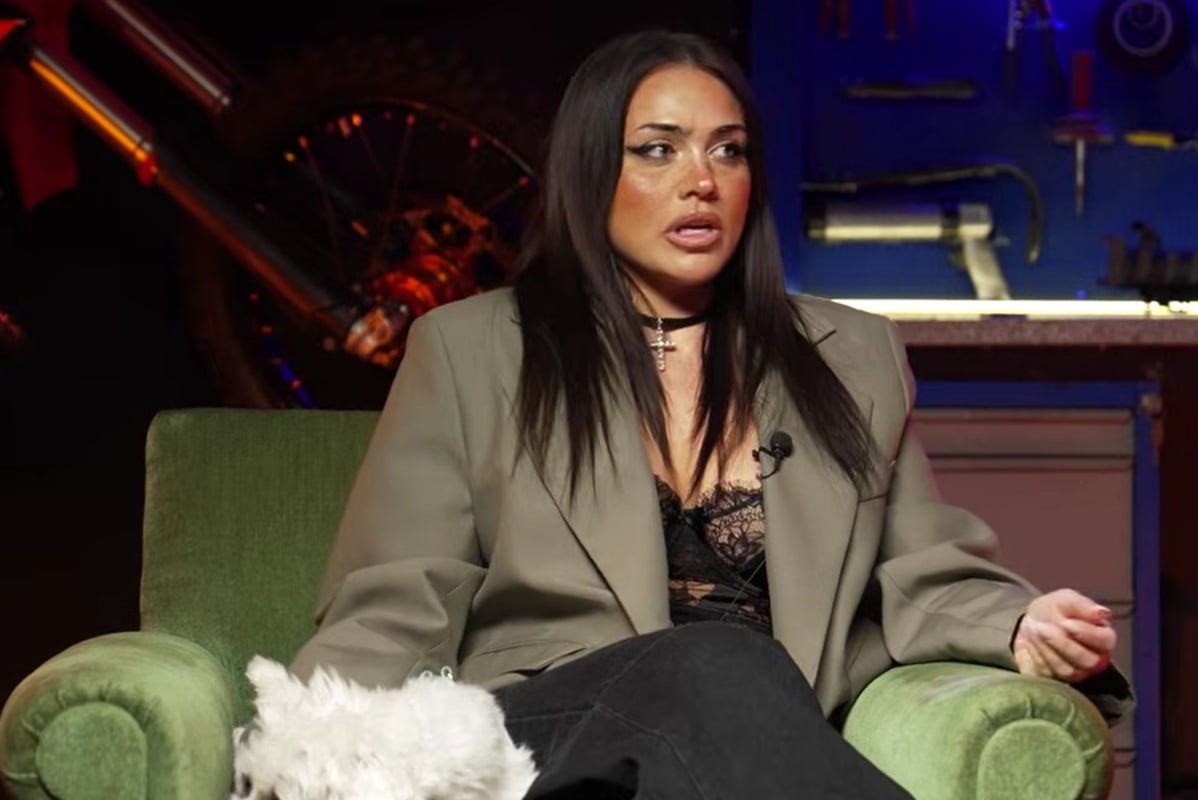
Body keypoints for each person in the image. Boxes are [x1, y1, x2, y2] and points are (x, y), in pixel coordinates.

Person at [289, 27, 1133, 798]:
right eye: (658, 150)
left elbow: (922, 567)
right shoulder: (472, 349)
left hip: (746, 751)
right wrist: (312, 754)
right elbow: (400, 597)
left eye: (728, 151)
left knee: (731, 673)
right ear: (592, 171)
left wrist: (1017, 624)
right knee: (710, 664)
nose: (701, 181)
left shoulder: (850, 355)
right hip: (550, 740)